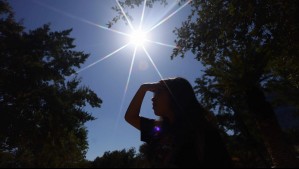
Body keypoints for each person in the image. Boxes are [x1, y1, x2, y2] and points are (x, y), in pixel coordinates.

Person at [125, 77, 232, 168]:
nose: (153, 98)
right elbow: (130, 117)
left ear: (175, 95)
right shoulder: (158, 129)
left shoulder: (204, 134)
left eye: (159, 92)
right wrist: (143, 88)